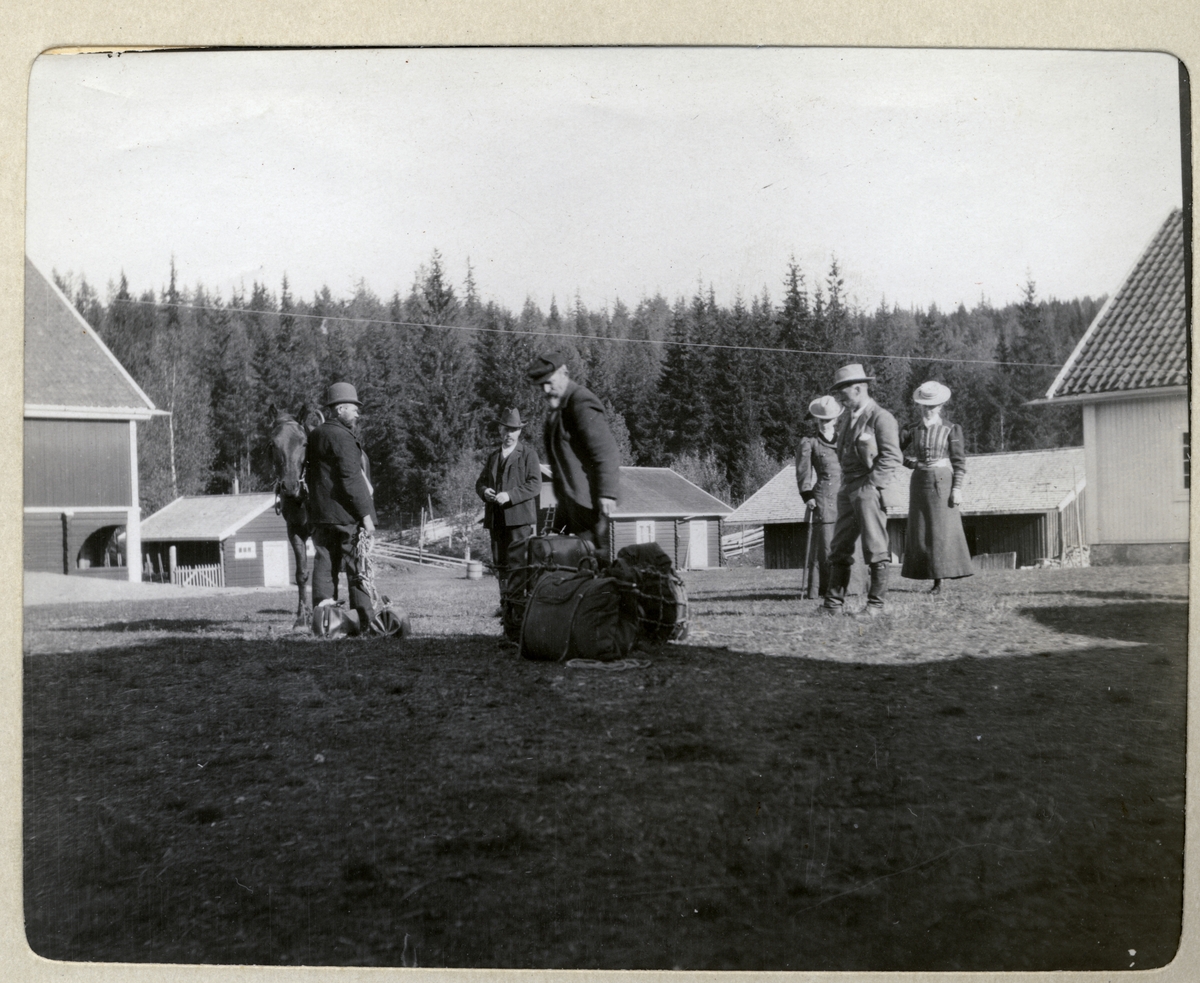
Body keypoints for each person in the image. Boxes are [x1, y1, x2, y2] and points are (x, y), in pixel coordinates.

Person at [822, 363, 903, 616]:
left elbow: (892, 456)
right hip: (848, 489)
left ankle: (875, 606)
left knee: (875, 548)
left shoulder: (881, 417)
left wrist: (872, 485)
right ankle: (833, 605)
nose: (839, 398)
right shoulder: (848, 419)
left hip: (868, 489)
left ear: (857, 389)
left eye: (842, 392)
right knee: (840, 546)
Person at [525, 351, 620, 548]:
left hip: (592, 503)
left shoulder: (581, 402)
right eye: (542, 385)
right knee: (576, 564)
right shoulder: (558, 409)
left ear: (564, 373)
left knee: (596, 561)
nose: (546, 389)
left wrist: (608, 493)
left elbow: (605, 450)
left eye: (549, 382)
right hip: (572, 504)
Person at [306, 381, 377, 631]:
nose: (358, 412)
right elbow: (352, 479)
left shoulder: (315, 435)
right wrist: (366, 517)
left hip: (321, 516)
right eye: (353, 407)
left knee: (324, 565)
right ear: (338, 410)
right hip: (346, 517)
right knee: (358, 565)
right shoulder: (344, 437)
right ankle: (365, 621)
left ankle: (326, 623)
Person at [900, 381, 974, 593]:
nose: (928, 409)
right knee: (922, 528)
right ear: (919, 406)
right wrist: (911, 464)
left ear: (941, 406)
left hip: (943, 480)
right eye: (924, 405)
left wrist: (957, 488)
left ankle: (940, 579)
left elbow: (959, 462)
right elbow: (893, 452)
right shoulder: (911, 429)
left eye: (932, 405)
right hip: (919, 481)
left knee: (940, 530)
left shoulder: (951, 429)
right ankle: (927, 574)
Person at [475, 408, 542, 612]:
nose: (509, 434)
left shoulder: (528, 454)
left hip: (519, 522)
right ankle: (506, 606)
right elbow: (480, 483)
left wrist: (510, 495)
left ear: (520, 431)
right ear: (500, 430)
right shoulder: (493, 456)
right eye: (506, 430)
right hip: (496, 521)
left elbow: (535, 485)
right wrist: (485, 491)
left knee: (519, 567)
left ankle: (519, 609)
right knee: (501, 566)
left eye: (513, 430)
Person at [795, 394, 844, 599]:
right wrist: (807, 495)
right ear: (817, 420)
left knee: (847, 540)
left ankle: (851, 587)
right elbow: (803, 473)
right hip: (823, 498)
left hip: (846, 496)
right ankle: (823, 588)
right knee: (826, 544)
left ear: (836, 419)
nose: (825, 424)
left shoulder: (845, 440)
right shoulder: (810, 443)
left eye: (829, 420)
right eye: (821, 420)